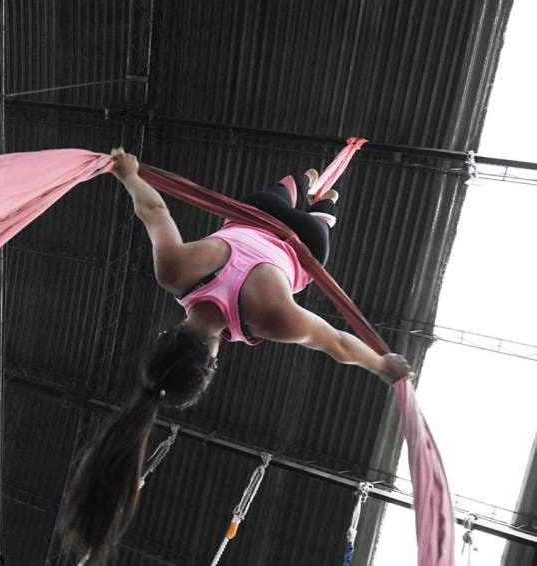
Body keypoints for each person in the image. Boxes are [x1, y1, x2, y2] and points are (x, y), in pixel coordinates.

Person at [58, 148, 412, 565]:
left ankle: (325, 201)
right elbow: (153, 210)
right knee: (293, 186)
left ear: (211, 366)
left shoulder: (270, 319)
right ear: (165, 334)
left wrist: (384, 367)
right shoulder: (174, 272)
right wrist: (129, 175)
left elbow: (336, 343)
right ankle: (308, 181)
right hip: (257, 212)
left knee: (322, 213)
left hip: (304, 247)